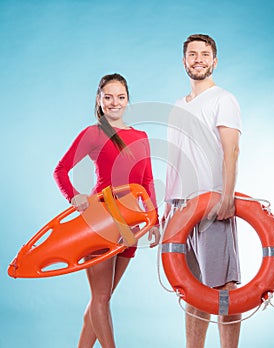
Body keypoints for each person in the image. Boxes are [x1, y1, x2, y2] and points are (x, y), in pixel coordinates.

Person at [53, 73, 160, 348]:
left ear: (128, 100)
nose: (115, 103)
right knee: (100, 298)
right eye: (108, 97)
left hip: (131, 225)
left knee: (102, 299)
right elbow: (61, 170)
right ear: (99, 101)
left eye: (121, 97)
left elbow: (147, 182)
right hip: (99, 221)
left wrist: (154, 220)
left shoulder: (141, 136)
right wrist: (73, 196)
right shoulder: (93, 133)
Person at [163, 34, 242, 347]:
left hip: (212, 205)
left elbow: (231, 151)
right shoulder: (176, 106)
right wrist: (165, 208)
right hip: (181, 207)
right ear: (184, 61)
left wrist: (227, 197)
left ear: (215, 61)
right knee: (192, 288)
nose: (198, 59)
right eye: (192, 54)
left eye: (204, 54)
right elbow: (174, 160)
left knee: (224, 286)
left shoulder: (224, 100)